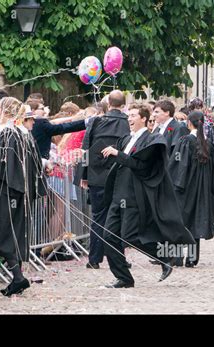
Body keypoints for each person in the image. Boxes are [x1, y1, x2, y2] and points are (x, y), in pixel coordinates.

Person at [101, 103, 195, 288]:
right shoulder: (126, 139)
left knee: (130, 236)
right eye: (129, 115)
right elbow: (119, 162)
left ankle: (165, 256)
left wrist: (118, 154)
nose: (129, 119)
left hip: (133, 196)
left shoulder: (150, 139)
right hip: (118, 195)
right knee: (109, 236)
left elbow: (141, 166)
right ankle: (124, 278)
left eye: (134, 115)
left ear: (144, 118)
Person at [0, 98, 46, 297]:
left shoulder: (7, 134)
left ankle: (18, 277)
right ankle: (17, 278)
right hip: (20, 192)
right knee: (11, 234)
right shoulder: (24, 134)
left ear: (3, 111)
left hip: (4, 191)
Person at [81, 90, 130, 269]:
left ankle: (94, 258)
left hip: (98, 176)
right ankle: (118, 258)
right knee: (118, 217)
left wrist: (84, 175)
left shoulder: (96, 121)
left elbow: (85, 150)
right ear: (123, 105)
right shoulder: (127, 122)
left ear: (108, 103)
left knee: (98, 217)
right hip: (119, 176)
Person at [168, 111, 214, 267]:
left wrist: (173, 185)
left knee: (181, 223)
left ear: (189, 123)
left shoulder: (185, 141)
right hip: (203, 191)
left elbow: (177, 166)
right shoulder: (209, 144)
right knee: (195, 223)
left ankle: (177, 258)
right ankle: (192, 258)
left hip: (185, 189)